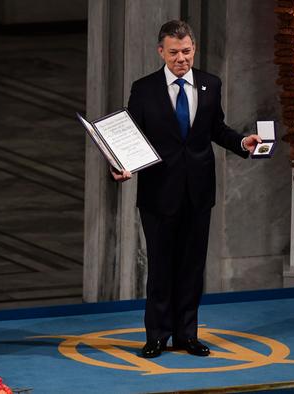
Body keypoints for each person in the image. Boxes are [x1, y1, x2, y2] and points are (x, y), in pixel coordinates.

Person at [112, 20, 261, 358]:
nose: (182, 58)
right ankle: (156, 336)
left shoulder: (210, 84)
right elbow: (130, 136)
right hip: (158, 193)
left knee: (192, 267)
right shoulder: (144, 89)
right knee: (161, 268)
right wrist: (118, 166)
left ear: (193, 48)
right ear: (161, 52)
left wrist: (241, 141)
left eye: (187, 51)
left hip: (198, 192)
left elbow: (216, 129)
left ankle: (186, 335)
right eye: (175, 52)